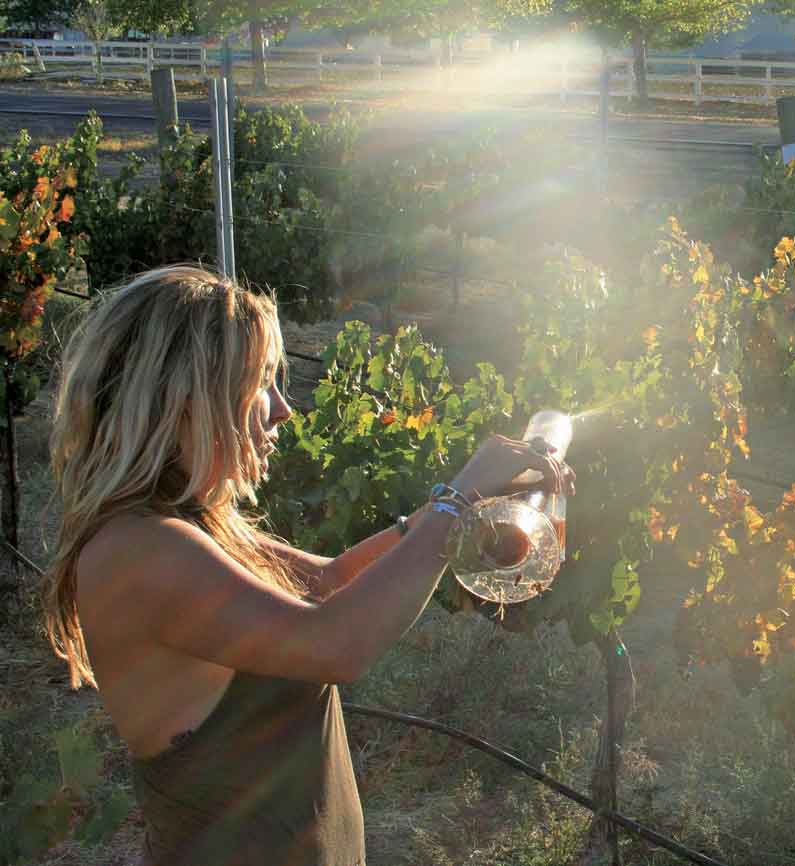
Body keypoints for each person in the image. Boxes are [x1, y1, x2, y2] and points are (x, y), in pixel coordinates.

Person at [42, 266, 574, 866]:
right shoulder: (139, 550)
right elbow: (334, 645)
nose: (282, 412)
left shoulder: (187, 524)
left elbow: (328, 581)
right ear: (184, 401)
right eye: (261, 384)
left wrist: (453, 503)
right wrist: (454, 504)